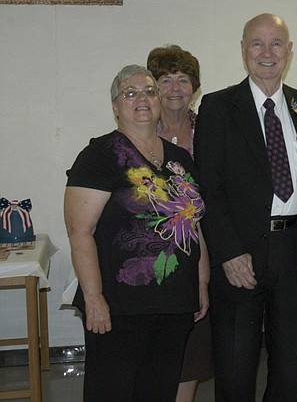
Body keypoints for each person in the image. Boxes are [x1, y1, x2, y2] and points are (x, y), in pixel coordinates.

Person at [193, 13, 297, 401]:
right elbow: (208, 187)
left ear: (289, 52)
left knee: (289, 366)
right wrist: (228, 252)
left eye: (276, 44)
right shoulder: (219, 107)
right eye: (258, 43)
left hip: (294, 252)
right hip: (241, 253)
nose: (267, 53)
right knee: (236, 365)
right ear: (243, 50)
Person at [64, 65, 206, 401]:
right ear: (115, 106)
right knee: (112, 392)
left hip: (175, 302)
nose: (142, 98)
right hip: (120, 305)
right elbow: (79, 230)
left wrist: (200, 284)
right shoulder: (99, 155)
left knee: (159, 390)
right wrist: (95, 298)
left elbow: (193, 226)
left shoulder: (179, 158)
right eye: (130, 92)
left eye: (149, 91)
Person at [147, 45, 213, 402]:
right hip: (155, 258)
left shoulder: (210, 129)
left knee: (193, 347)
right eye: (166, 79)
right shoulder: (139, 129)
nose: (175, 87)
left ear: (195, 87)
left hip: (201, 251)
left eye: (183, 79)